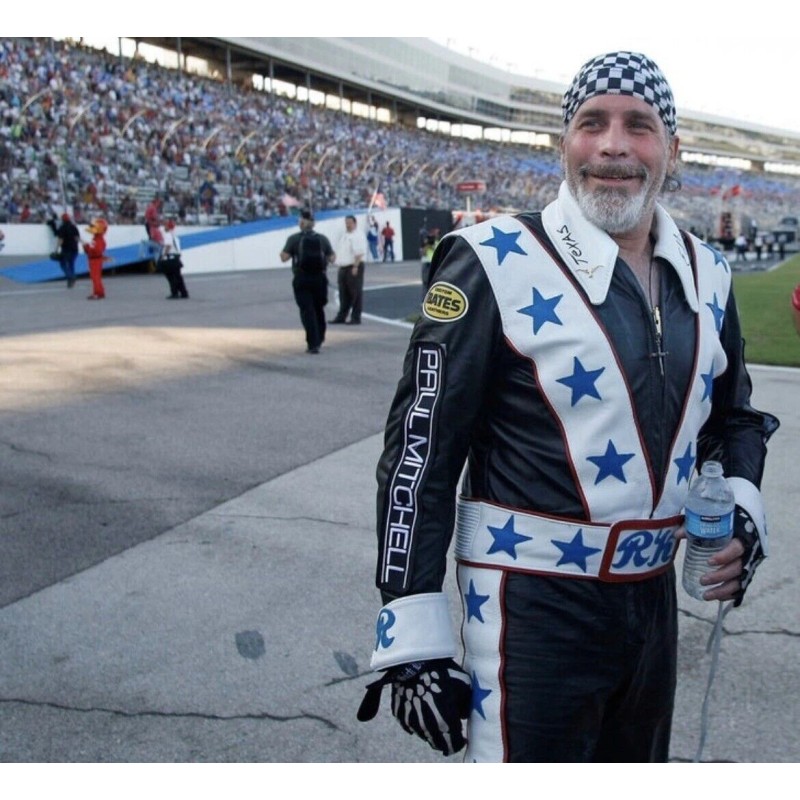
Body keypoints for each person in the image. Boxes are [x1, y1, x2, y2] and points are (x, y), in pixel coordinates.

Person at [357, 51, 779, 762]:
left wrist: (739, 504)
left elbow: (732, 419)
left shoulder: (709, 271)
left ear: (673, 151)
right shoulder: (489, 259)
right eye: (592, 123)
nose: (613, 145)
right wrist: (411, 630)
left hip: (652, 608)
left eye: (638, 126)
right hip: (529, 612)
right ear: (564, 143)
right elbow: (419, 451)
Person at [279, 210, 335, 353]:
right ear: (313, 224)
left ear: (302, 223)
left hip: (302, 278)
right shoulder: (322, 239)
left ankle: (313, 343)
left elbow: (284, 257)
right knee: (318, 309)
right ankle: (320, 337)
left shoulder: (294, 239)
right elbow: (332, 258)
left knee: (307, 310)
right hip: (320, 279)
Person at [330, 215, 367, 325]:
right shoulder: (345, 235)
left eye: (350, 223)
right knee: (343, 293)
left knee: (355, 292)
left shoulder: (358, 235)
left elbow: (359, 253)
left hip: (353, 266)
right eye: (346, 223)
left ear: (355, 223)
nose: (348, 225)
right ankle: (342, 315)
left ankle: (356, 317)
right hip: (343, 266)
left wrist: (355, 266)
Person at [47, 212, 81, 288]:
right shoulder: (74, 227)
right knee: (71, 264)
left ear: (63, 220)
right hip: (75, 249)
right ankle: (72, 277)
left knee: (63, 264)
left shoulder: (62, 228)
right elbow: (77, 238)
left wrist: (56, 250)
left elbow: (61, 240)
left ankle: (70, 277)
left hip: (66, 249)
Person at [158, 219, 189, 299]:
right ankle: (183, 292)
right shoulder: (174, 236)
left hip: (170, 258)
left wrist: (163, 255)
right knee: (178, 276)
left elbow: (168, 245)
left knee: (171, 277)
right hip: (176, 257)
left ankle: (174, 292)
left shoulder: (168, 234)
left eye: (165, 225)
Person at [83, 217, 108, 300]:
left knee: (95, 277)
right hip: (94, 259)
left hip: (95, 260)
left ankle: (97, 293)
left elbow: (96, 251)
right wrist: (87, 247)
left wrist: (87, 247)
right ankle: (100, 292)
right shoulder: (97, 239)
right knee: (96, 277)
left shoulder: (98, 240)